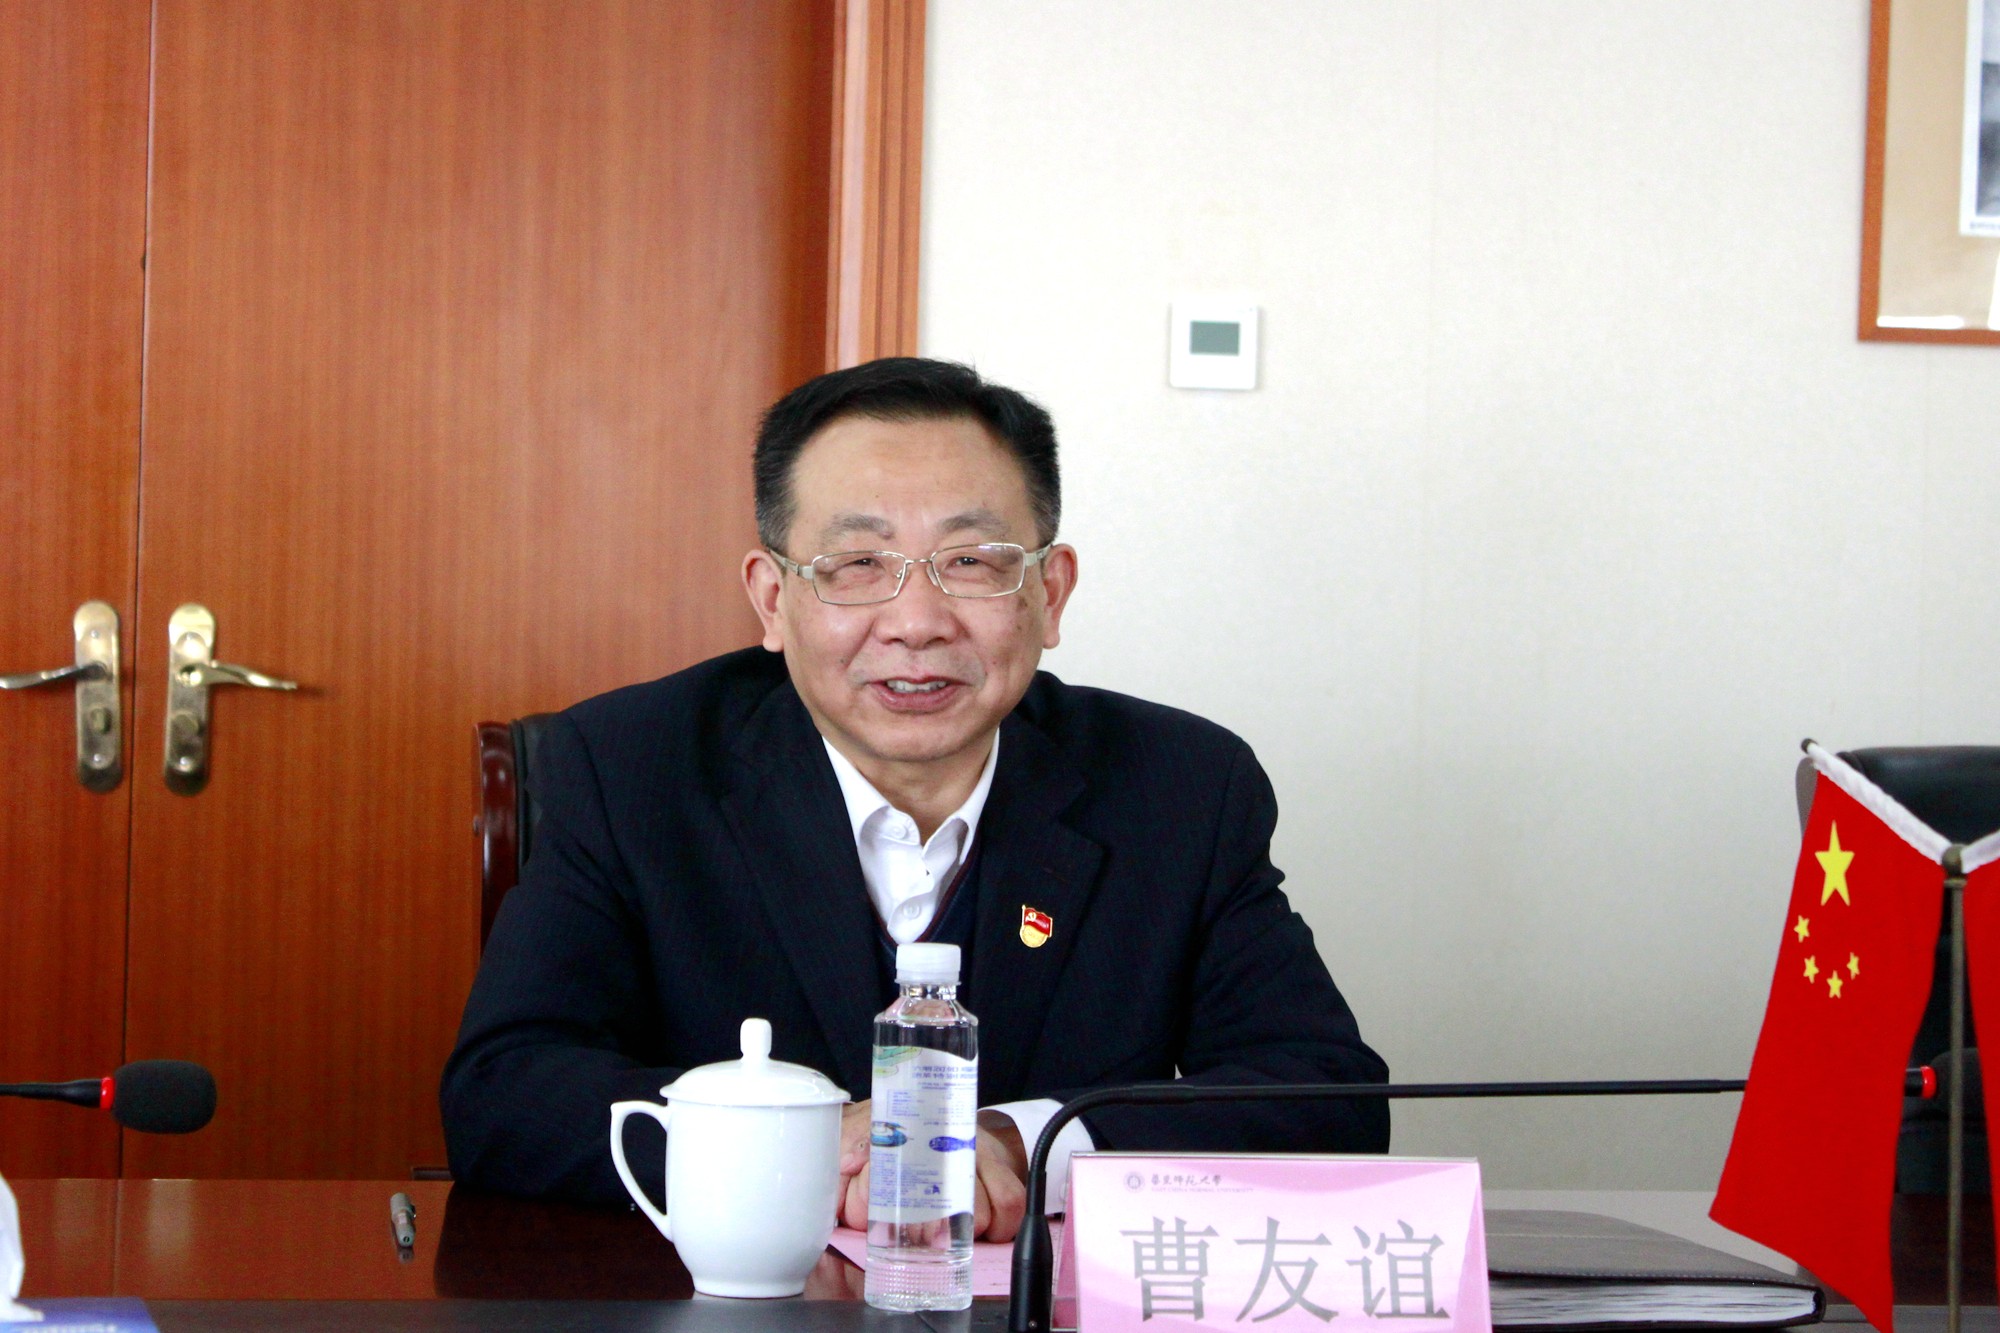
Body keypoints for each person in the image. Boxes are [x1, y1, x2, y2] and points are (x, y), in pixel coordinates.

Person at [441, 358, 1389, 1239]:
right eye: (857, 564)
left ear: (1050, 593)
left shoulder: (1180, 788)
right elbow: (504, 1093)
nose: (917, 622)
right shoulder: (630, 768)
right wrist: (806, 1142)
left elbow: (1326, 1097)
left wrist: (1023, 1144)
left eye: (972, 561)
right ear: (772, 599)